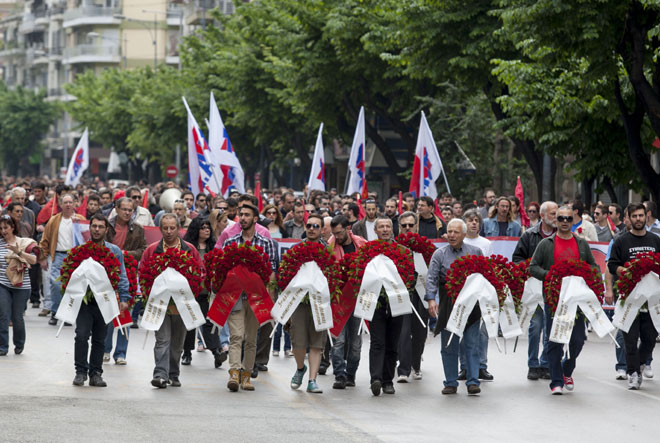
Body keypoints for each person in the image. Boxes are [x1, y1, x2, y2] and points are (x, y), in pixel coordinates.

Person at [529, 206, 597, 395]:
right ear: (556, 221)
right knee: (555, 341)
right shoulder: (546, 244)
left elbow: (593, 266)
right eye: (561, 218)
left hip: (577, 300)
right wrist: (550, 275)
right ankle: (556, 381)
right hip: (554, 300)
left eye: (568, 218)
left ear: (573, 220)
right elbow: (533, 267)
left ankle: (567, 367)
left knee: (578, 339)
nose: (565, 221)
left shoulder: (581, 243)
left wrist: (586, 275)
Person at [140, 214, 204, 389]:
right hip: (159, 306)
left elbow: (200, 272)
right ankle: (160, 374)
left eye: (172, 228)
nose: (169, 231)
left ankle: (173, 374)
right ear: (160, 229)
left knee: (177, 343)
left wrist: (192, 291)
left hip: (181, 306)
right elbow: (142, 272)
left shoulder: (189, 249)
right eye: (165, 228)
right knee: (162, 340)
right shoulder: (152, 250)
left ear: (179, 228)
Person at [223, 202, 278, 392]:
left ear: (255, 219)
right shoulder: (230, 242)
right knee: (236, 336)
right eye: (241, 215)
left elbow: (271, 271)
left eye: (247, 215)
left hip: (256, 298)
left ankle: (246, 375)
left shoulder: (266, 243)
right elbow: (224, 269)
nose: (243, 218)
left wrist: (270, 298)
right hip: (236, 296)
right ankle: (234, 373)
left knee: (251, 338)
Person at [426, 219, 484, 395]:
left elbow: (484, 275)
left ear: (464, 235)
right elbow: (431, 278)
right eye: (449, 231)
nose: (451, 235)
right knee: (448, 345)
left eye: (456, 232)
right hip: (448, 304)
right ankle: (450, 382)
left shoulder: (475, 252)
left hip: (471, 305)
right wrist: (431, 299)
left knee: (472, 344)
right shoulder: (439, 254)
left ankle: (473, 381)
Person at [71, 214, 130, 387]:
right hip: (85, 301)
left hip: (105, 301)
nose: (97, 230)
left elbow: (121, 275)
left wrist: (124, 298)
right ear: (90, 228)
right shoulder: (81, 249)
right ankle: (80, 372)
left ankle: (96, 373)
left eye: (100, 227)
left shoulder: (114, 251)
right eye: (94, 226)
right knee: (81, 335)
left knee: (100, 338)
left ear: (106, 230)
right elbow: (71, 273)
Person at [608, 203, 660, 390]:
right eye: (634, 216)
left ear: (646, 216)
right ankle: (633, 373)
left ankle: (639, 364)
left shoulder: (655, 240)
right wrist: (628, 271)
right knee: (630, 338)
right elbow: (612, 265)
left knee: (650, 337)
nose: (638, 219)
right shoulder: (621, 241)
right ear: (629, 218)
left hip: (652, 299)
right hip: (629, 297)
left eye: (641, 215)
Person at [512, 201, 558, 381]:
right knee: (535, 326)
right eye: (553, 214)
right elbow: (517, 258)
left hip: (554, 288)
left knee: (550, 327)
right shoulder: (529, 235)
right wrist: (528, 269)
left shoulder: (561, 235)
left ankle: (545, 363)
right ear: (543, 215)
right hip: (534, 288)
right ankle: (533, 364)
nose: (556, 217)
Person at [367, 217, 412, 396]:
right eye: (381, 227)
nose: (385, 229)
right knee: (377, 342)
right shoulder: (368, 251)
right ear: (375, 231)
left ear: (393, 230)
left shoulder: (403, 251)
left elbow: (411, 276)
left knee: (393, 343)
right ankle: (375, 379)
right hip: (376, 302)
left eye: (388, 226)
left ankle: (388, 381)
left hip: (397, 302)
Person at [103, 197, 147, 364]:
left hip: (128, 274)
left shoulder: (138, 229)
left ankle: (121, 353)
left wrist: (125, 254)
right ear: (116, 209)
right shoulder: (107, 226)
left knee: (125, 312)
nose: (128, 213)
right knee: (108, 314)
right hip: (108, 273)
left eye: (131, 210)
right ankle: (105, 350)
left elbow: (143, 250)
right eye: (124, 209)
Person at [289, 214, 328, 394]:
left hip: (320, 301)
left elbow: (333, 273)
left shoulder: (327, 250)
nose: (312, 229)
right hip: (299, 301)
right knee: (298, 342)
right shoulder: (296, 248)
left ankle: (312, 380)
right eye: (309, 225)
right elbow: (287, 271)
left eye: (316, 226)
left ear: (322, 229)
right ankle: (300, 368)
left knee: (317, 343)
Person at [181, 218, 227, 369]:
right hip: (190, 292)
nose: (207, 230)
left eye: (208, 227)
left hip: (207, 293)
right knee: (190, 323)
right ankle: (187, 353)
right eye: (203, 228)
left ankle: (217, 352)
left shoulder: (213, 247)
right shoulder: (187, 247)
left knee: (209, 322)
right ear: (196, 230)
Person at [328, 215, 367, 389]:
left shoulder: (361, 244)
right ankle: (339, 375)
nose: (336, 237)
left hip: (358, 299)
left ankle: (351, 374)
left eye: (339, 233)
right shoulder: (330, 246)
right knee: (338, 340)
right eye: (334, 233)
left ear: (348, 228)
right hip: (338, 300)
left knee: (355, 342)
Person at [38, 193, 85, 326]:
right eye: (65, 202)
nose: (68, 205)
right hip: (58, 255)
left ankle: (68, 314)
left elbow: (86, 237)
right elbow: (45, 240)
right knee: (55, 284)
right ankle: (55, 311)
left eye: (70, 202)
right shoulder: (54, 220)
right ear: (60, 204)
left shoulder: (80, 219)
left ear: (75, 204)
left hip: (75, 257)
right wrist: (43, 258)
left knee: (72, 286)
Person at [458, 209, 493, 382]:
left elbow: (488, 265)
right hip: (463, 290)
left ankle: (481, 366)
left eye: (476, 220)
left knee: (482, 331)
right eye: (470, 220)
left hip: (482, 289)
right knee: (463, 329)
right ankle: (464, 366)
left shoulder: (486, 243)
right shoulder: (460, 241)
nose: (473, 223)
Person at [395, 211, 430, 383]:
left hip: (421, 296)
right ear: (399, 227)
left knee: (420, 332)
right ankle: (403, 369)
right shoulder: (394, 247)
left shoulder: (426, 247)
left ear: (416, 226)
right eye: (404, 225)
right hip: (401, 295)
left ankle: (416, 364)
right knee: (403, 332)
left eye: (411, 225)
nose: (407, 228)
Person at [0, 215, 37, 356]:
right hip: (3, 284)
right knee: (3, 315)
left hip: (21, 287)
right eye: (1, 228)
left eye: (6, 227)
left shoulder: (24, 243)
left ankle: (19, 343)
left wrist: (18, 252)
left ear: (13, 227)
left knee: (17, 317)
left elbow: (34, 260)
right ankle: (3, 346)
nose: (3, 231)